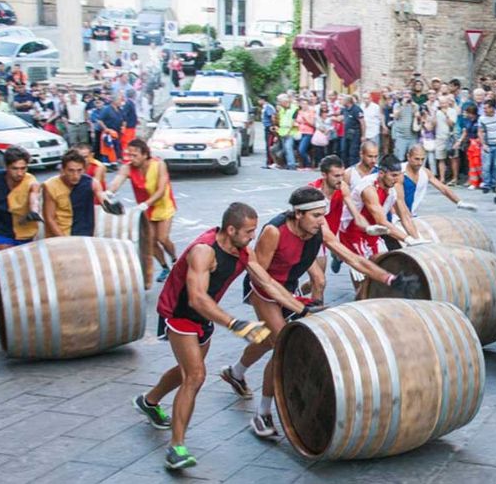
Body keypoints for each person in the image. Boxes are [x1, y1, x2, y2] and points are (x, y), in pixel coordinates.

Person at [219, 188, 419, 438]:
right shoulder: (274, 231)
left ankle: (235, 372)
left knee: (268, 339)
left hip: (288, 287)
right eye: (315, 215)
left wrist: (389, 278)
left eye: (323, 214)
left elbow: (353, 259)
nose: (322, 220)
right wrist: (296, 306)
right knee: (282, 346)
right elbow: (260, 276)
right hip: (264, 291)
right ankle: (262, 413)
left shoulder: (319, 229)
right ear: (298, 214)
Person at [130, 202, 310, 471]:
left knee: (185, 371)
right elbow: (196, 298)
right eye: (249, 232)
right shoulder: (204, 251)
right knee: (195, 375)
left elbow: (267, 282)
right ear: (231, 229)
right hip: (179, 314)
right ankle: (176, 449)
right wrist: (235, 323)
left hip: (205, 317)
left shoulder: (242, 251)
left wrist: (303, 309)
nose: (253, 237)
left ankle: (149, 401)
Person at [108, 139, 178, 284]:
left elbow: (161, 190)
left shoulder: (159, 165)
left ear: (145, 154)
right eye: (129, 155)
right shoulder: (127, 168)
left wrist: (146, 204)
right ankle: (165, 267)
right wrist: (108, 193)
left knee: (162, 238)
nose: (131, 158)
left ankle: (175, 259)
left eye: (135, 155)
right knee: (150, 241)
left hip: (163, 205)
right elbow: (117, 181)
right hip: (146, 208)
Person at [338, 155, 423, 266]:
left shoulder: (394, 186)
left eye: (399, 175)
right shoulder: (369, 188)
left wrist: (417, 241)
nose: (397, 179)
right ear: (381, 173)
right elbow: (381, 221)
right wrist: (407, 239)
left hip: (373, 231)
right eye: (393, 175)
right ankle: (340, 253)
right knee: (370, 268)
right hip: (353, 231)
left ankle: (341, 255)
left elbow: (405, 217)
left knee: (385, 265)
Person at [42, 149, 122, 237]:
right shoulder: (50, 186)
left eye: (79, 170)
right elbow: (49, 218)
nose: (75, 175)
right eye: (71, 170)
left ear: (84, 170)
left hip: (83, 233)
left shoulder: (91, 183)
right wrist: (64, 239)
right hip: (59, 236)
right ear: (63, 170)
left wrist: (109, 205)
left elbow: (101, 196)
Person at [401, 144, 477, 216]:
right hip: (397, 215)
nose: (420, 163)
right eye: (417, 159)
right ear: (408, 157)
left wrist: (459, 202)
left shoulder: (425, 173)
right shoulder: (399, 171)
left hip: (410, 215)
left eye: (422, 159)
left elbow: (443, 188)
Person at [477, 100, 496, 194]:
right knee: (486, 166)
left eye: (486, 108)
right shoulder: (482, 119)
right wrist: (483, 144)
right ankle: (486, 184)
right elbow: (480, 132)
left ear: (492, 108)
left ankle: (494, 184)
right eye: (484, 108)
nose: (484, 110)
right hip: (488, 144)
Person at [458, 103, 481, 189]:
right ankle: (472, 181)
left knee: (478, 163)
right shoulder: (467, 120)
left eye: (469, 113)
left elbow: (481, 132)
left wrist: (478, 141)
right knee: (470, 164)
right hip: (469, 144)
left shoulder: (479, 120)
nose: (467, 115)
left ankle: (481, 180)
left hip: (478, 144)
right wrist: (460, 141)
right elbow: (465, 132)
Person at [390, 91, 418, 161]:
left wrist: (414, 109)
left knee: (413, 157)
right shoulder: (397, 105)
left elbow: (417, 117)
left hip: (412, 136)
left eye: (409, 94)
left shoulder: (415, 105)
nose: (407, 95)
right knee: (399, 158)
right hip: (401, 136)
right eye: (405, 94)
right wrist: (403, 105)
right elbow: (396, 116)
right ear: (402, 95)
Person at [275, 94, 299, 170]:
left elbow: (294, 120)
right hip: (282, 132)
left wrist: (289, 130)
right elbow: (280, 120)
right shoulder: (281, 109)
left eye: (280, 101)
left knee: (288, 148)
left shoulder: (294, 108)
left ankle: (292, 165)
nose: (279, 103)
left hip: (291, 132)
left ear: (284, 101)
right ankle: (287, 164)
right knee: (285, 149)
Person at [339, 94, 364, 167]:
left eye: (342, 100)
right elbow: (341, 117)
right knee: (344, 151)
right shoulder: (345, 109)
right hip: (346, 133)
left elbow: (362, 123)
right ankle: (346, 168)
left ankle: (354, 168)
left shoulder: (357, 109)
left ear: (348, 101)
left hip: (355, 133)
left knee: (353, 152)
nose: (341, 101)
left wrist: (363, 135)